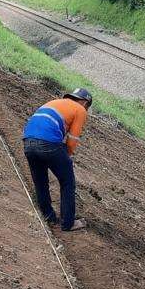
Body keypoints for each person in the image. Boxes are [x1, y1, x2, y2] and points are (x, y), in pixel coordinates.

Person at [22, 88, 92, 232]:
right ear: (85, 102)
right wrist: (67, 155)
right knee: (67, 182)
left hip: (28, 141)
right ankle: (68, 223)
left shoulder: (54, 102)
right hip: (49, 142)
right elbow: (73, 139)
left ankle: (48, 217)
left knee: (40, 181)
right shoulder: (80, 109)